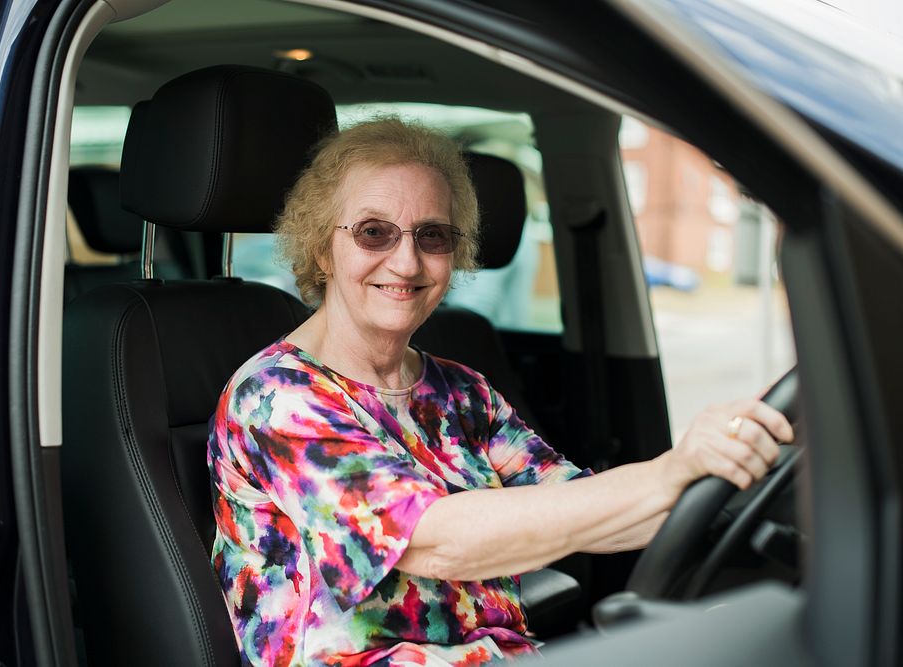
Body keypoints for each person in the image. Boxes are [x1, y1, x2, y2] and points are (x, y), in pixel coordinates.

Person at [207, 118, 793, 667]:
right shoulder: (276, 397)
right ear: (319, 245)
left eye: (432, 235)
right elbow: (436, 543)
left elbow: (586, 507)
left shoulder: (462, 393)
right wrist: (665, 475)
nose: (406, 260)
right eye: (373, 232)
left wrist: (724, 482)